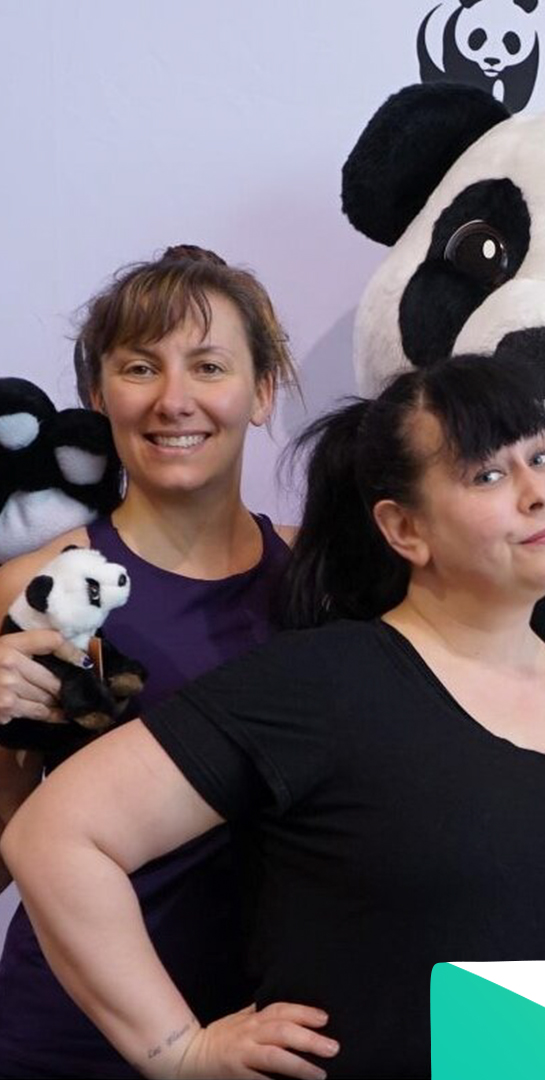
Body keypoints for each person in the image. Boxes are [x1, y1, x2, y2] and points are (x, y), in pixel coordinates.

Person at [3, 354, 545, 1080]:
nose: (537, 494)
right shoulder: (321, 683)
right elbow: (57, 835)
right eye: (488, 475)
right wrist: (179, 1050)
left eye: (540, 457)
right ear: (404, 529)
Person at [0, 245, 298, 1077]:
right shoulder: (32, 590)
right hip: (71, 1043)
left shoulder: (325, 585)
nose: (175, 401)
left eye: (208, 366)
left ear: (262, 391)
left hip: (274, 1032)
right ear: (99, 394)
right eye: (140, 367)